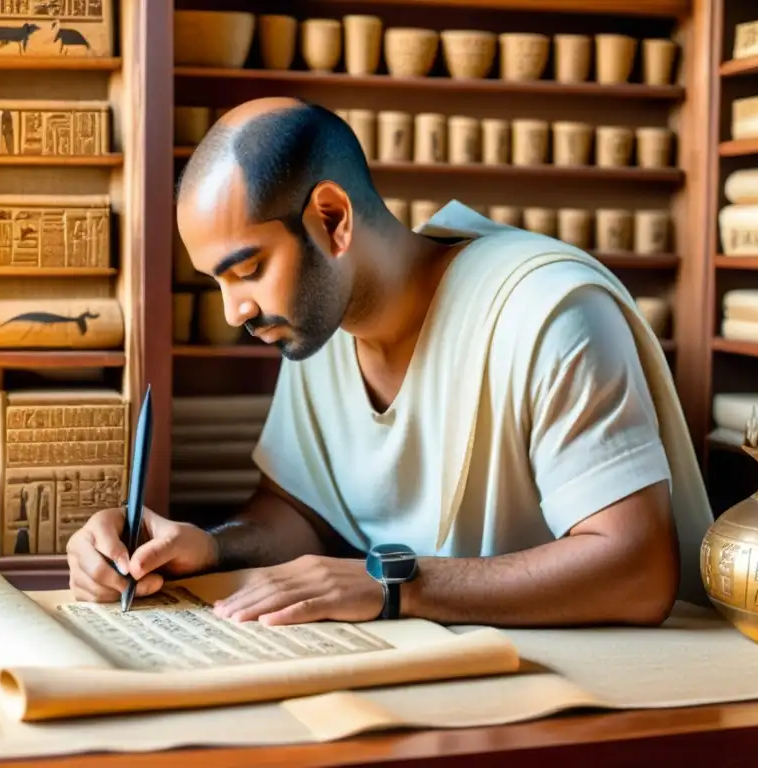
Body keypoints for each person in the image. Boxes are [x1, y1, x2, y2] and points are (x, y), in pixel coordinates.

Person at [66, 97, 714, 629]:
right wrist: (204, 546)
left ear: (332, 219)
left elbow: (637, 570)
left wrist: (394, 585)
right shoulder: (319, 326)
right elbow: (296, 516)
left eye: (250, 270)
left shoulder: (546, 311)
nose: (235, 310)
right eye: (219, 282)